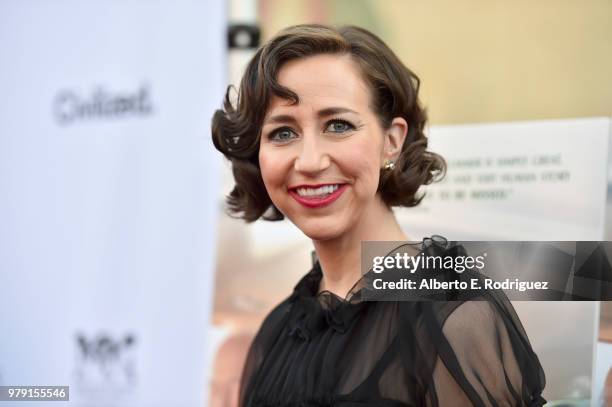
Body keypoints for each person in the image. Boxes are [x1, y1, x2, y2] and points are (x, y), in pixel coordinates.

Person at [212, 24, 546, 407]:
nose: (309, 161)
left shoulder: (453, 317)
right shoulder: (276, 331)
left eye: (338, 125)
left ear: (392, 141)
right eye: (283, 133)